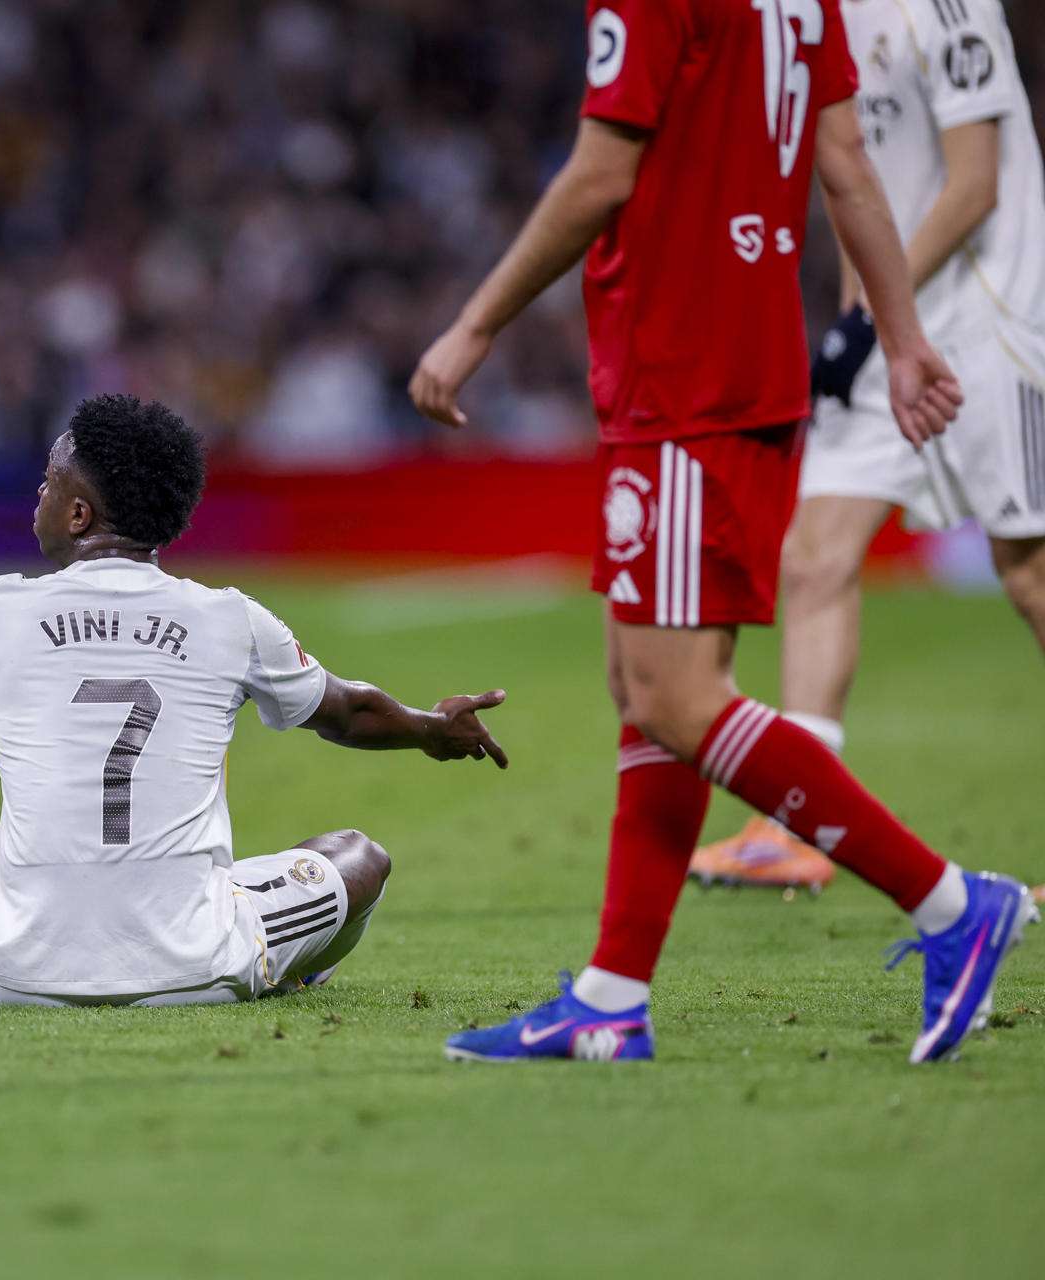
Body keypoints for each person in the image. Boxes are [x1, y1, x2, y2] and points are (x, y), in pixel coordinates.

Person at [409, 0, 1035, 1063]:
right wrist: (901, 336)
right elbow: (846, 165)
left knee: (677, 693)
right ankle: (612, 995)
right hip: (738, 369)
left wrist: (473, 325)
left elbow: (601, 175)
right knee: (644, 683)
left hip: (685, 373)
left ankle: (950, 903)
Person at [0, 394, 508, 1006]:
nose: (39, 493)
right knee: (358, 855)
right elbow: (347, 711)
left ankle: (24, 945)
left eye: (51, 482)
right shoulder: (230, 618)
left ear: (80, 516)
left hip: (20, 978)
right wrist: (429, 729)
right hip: (199, 967)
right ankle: (291, 965)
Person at [692, 0, 1045, 896]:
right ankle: (797, 823)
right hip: (892, 328)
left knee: (1028, 576)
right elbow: (851, 183)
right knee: (813, 557)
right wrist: (868, 321)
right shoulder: (815, 19)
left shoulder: (950, 8)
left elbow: (976, 184)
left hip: (993, 327)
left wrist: (865, 314)